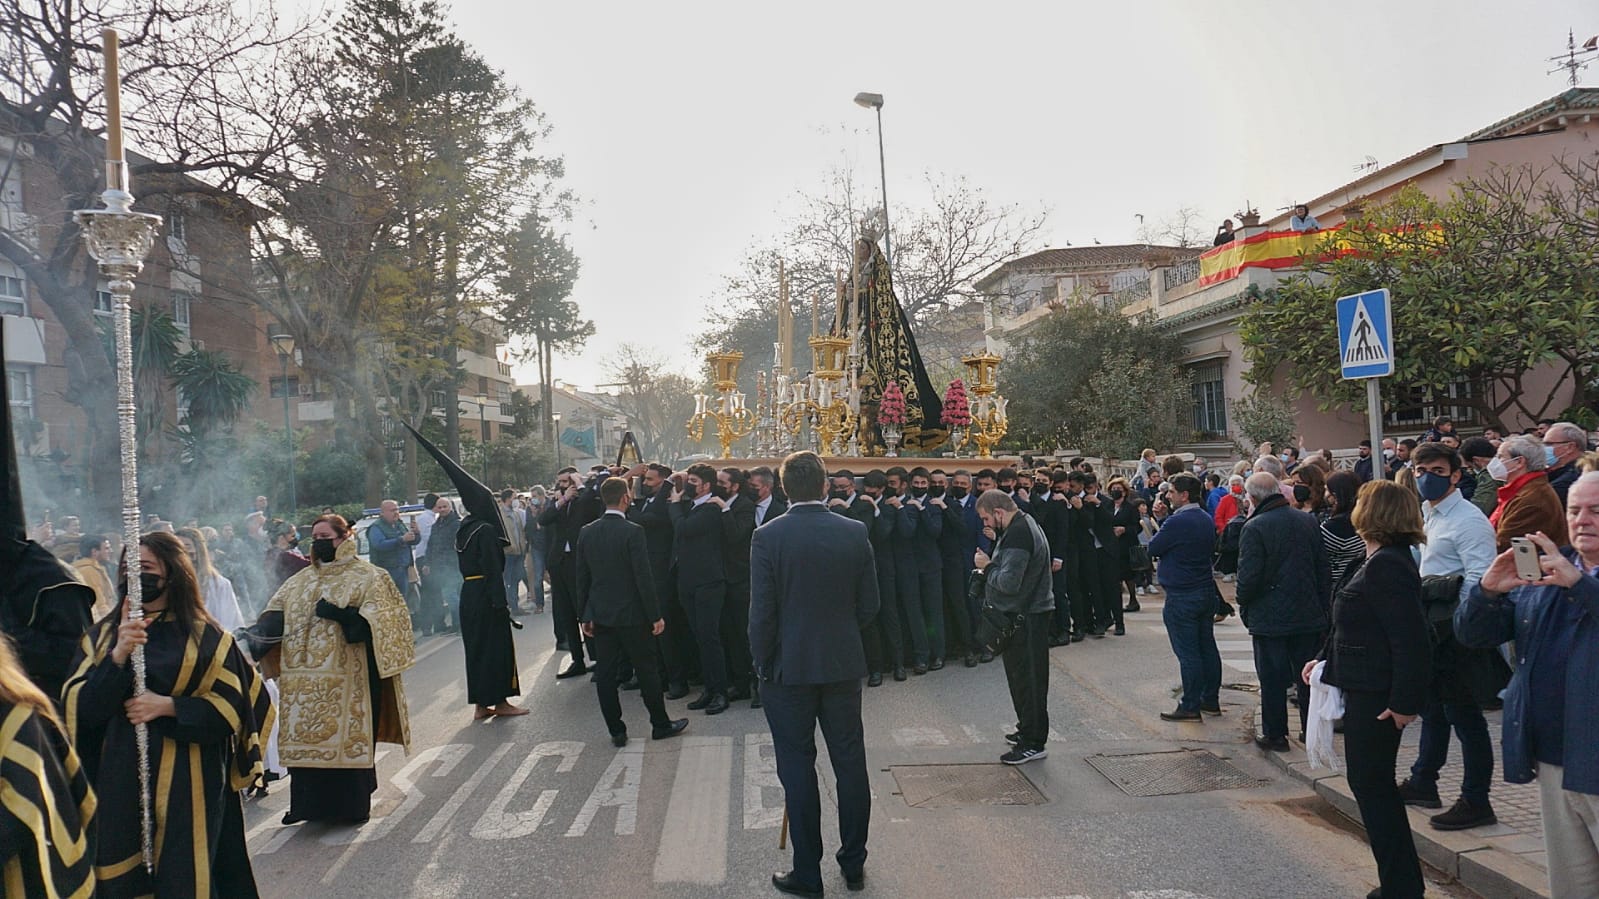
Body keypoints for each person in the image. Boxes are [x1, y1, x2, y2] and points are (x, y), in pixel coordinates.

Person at [63, 532, 272, 896]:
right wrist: (118, 656)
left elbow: (235, 707)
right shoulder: (103, 637)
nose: (136, 576)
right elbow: (77, 710)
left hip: (190, 784)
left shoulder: (206, 637)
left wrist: (170, 707)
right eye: (129, 568)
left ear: (172, 573)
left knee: (185, 877)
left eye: (145, 568)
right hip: (118, 779)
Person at [1456, 473, 1599, 898]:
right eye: (1575, 510)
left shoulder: (1569, 577)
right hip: (1555, 759)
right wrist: (1486, 591)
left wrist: (1579, 585)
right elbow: (1473, 635)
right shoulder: (1552, 570)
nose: (1582, 520)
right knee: (1572, 887)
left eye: (1596, 510)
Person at [750, 451, 877, 898]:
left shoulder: (768, 536)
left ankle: (808, 872)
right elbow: (870, 605)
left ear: (784, 488)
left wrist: (762, 661)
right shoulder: (853, 530)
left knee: (797, 769)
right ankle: (854, 862)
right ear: (825, 486)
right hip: (841, 663)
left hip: (788, 669)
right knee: (850, 763)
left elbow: (762, 612)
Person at [1305, 480, 1432, 899]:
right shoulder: (1373, 557)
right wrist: (1324, 660)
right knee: (1371, 788)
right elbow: (1351, 620)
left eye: (1361, 501)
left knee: (1374, 789)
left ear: (1374, 512)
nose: (1353, 506)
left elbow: (1409, 638)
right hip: (1363, 687)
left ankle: (1402, 888)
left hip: (1378, 697)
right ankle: (1400, 884)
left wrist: (1403, 703)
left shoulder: (1389, 564)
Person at [245, 514, 413, 826]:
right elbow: (277, 616)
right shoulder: (301, 579)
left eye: (326, 536)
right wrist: (254, 635)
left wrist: (343, 615)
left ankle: (349, 808)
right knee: (305, 742)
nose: (319, 542)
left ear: (345, 537)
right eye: (315, 536)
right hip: (301, 681)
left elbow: (385, 625)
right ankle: (307, 807)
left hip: (350, 678)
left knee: (344, 743)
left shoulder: (369, 576)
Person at [1397, 441, 1505, 830]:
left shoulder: (1468, 519)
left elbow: (1481, 578)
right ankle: (1424, 780)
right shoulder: (1429, 514)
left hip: (1458, 633)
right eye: (1420, 470)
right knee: (1434, 710)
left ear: (1456, 475)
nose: (1426, 477)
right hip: (1434, 631)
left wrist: (1460, 626)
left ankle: (1477, 800)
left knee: (1466, 717)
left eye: (1437, 471)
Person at [408, 426, 527, 719]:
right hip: (486, 594)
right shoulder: (485, 531)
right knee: (495, 648)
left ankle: (480, 705)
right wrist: (502, 603)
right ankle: (499, 702)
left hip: (469, 593)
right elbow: (491, 570)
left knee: (476, 649)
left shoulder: (465, 527)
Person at [575, 477, 688, 746]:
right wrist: (655, 615)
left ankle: (616, 730)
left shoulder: (586, 532)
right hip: (633, 615)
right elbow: (643, 578)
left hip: (601, 614)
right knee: (647, 670)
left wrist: (584, 615)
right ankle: (660, 724)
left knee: (606, 673)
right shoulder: (633, 531)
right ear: (625, 498)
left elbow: (582, 578)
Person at [1236, 472, 1329, 751]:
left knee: (1273, 679)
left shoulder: (1254, 527)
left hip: (1270, 617)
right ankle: (1310, 733)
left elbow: (1248, 577)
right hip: (1307, 613)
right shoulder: (1307, 521)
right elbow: (1322, 568)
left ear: (1252, 498)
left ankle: (1275, 734)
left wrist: (1244, 604)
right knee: (1306, 678)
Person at [973, 488, 1055, 765]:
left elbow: (1009, 582)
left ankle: (1033, 741)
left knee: (1029, 679)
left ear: (999, 512)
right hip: (1024, 615)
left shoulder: (1019, 534)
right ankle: (1026, 729)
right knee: (1020, 677)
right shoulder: (1021, 524)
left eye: (986, 518)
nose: (985, 524)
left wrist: (986, 567)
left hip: (1028, 616)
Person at [1148, 474, 1223, 721]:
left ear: (1184, 495)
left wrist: (1159, 521)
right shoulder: (1203, 517)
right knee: (1206, 648)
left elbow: (1154, 547)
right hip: (1203, 590)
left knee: (1189, 653)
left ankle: (1190, 704)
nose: (1167, 496)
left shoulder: (1178, 521)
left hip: (1182, 594)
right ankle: (1210, 699)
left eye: (1171, 492)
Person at [671, 463, 732, 715]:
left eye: (693, 481)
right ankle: (709, 688)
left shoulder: (710, 509)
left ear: (706, 485)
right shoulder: (693, 506)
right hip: (688, 582)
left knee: (709, 638)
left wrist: (673, 504)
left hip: (708, 582)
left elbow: (684, 528)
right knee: (699, 638)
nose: (688, 485)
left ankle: (720, 691)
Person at [629, 463, 691, 698]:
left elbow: (644, 519)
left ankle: (677, 679)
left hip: (662, 575)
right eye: (644, 480)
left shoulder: (664, 503)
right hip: (647, 574)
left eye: (651, 481)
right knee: (651, 631)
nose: (645, 484)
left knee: (667, 631)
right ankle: (660, 676)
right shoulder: (646, 501)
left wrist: (668, 484)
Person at [719, 467, 760, 707]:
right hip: (724, 579)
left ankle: (757, 685)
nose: (718, 486)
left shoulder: (744, 506)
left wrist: (724, 510)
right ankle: (740, 683)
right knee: (731, 636)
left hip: (742, 579)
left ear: (734, 486)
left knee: (746, 636)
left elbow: (736, 535)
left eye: (722, 483)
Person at [1489, 434, 1569, 551]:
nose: (1495, 462)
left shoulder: (1532, 499)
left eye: (1500, 457)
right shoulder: (1522, 491)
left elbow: (1504, 545)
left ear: (1519, 462)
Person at [176, 526, 246, 634]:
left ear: (198, 549)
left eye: (187, 546)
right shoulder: (168, 582)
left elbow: (230, 623)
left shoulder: (220, 584)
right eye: (177, 547)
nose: (182, 552)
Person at [424, 495, 463, 633]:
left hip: (452, 566)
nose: (442, 509)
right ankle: (457, 624)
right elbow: (431, 545)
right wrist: (427, 563)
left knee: (451, 595)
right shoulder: (437, 524)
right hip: (440, 567)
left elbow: (457, 545)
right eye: (439, 507)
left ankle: (459, 625)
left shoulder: (457, 524)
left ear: (450, 507)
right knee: (450, 595)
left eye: (444, 507)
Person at [1322, 471, 1366, 584]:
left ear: (1335, 495)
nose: (1325, 494)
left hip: (1336, 583)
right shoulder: (1365, 520)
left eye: (1327, 490)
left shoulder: (1329, 528)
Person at [367, 499, 418, 597]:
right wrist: (401, 539)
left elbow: (412, 542)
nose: (396, 512)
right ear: (382, 512)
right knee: (390, 600)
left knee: (403, 600)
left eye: (397, 510)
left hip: (403, 570)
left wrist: (416, 533)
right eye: (392, 510)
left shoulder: (399, 524)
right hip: (387, 571)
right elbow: (379, 545)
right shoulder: (376, 527)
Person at [72, 533, 117, 621]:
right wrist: (111, 623)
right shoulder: (88, 571)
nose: (111, 551)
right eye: (106, 548)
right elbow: (99, 604)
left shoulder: (96, 568)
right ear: (94, 552)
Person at [499, 489, 529, 616]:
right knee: (509, 580)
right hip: (509, 552)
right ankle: (511, 606)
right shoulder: (500, 515)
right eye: (514, 497)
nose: (516, 500)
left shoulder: (515, 514)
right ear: (507, 499)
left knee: (516, 579)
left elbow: (521, 531)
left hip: (519, 551)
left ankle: (515, 606)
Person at [1543, 421, 1587, 507]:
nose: (1544, 448)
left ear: (1570, 447)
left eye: (1549, 444)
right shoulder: (1555, 473)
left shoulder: (1567, 482)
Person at [1460, 437, 1501, 517]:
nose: (1470, 471)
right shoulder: (1504, 466)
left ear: (1476, 460)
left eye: (1470, 466)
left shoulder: (1490, 475)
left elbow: (1479, 508)